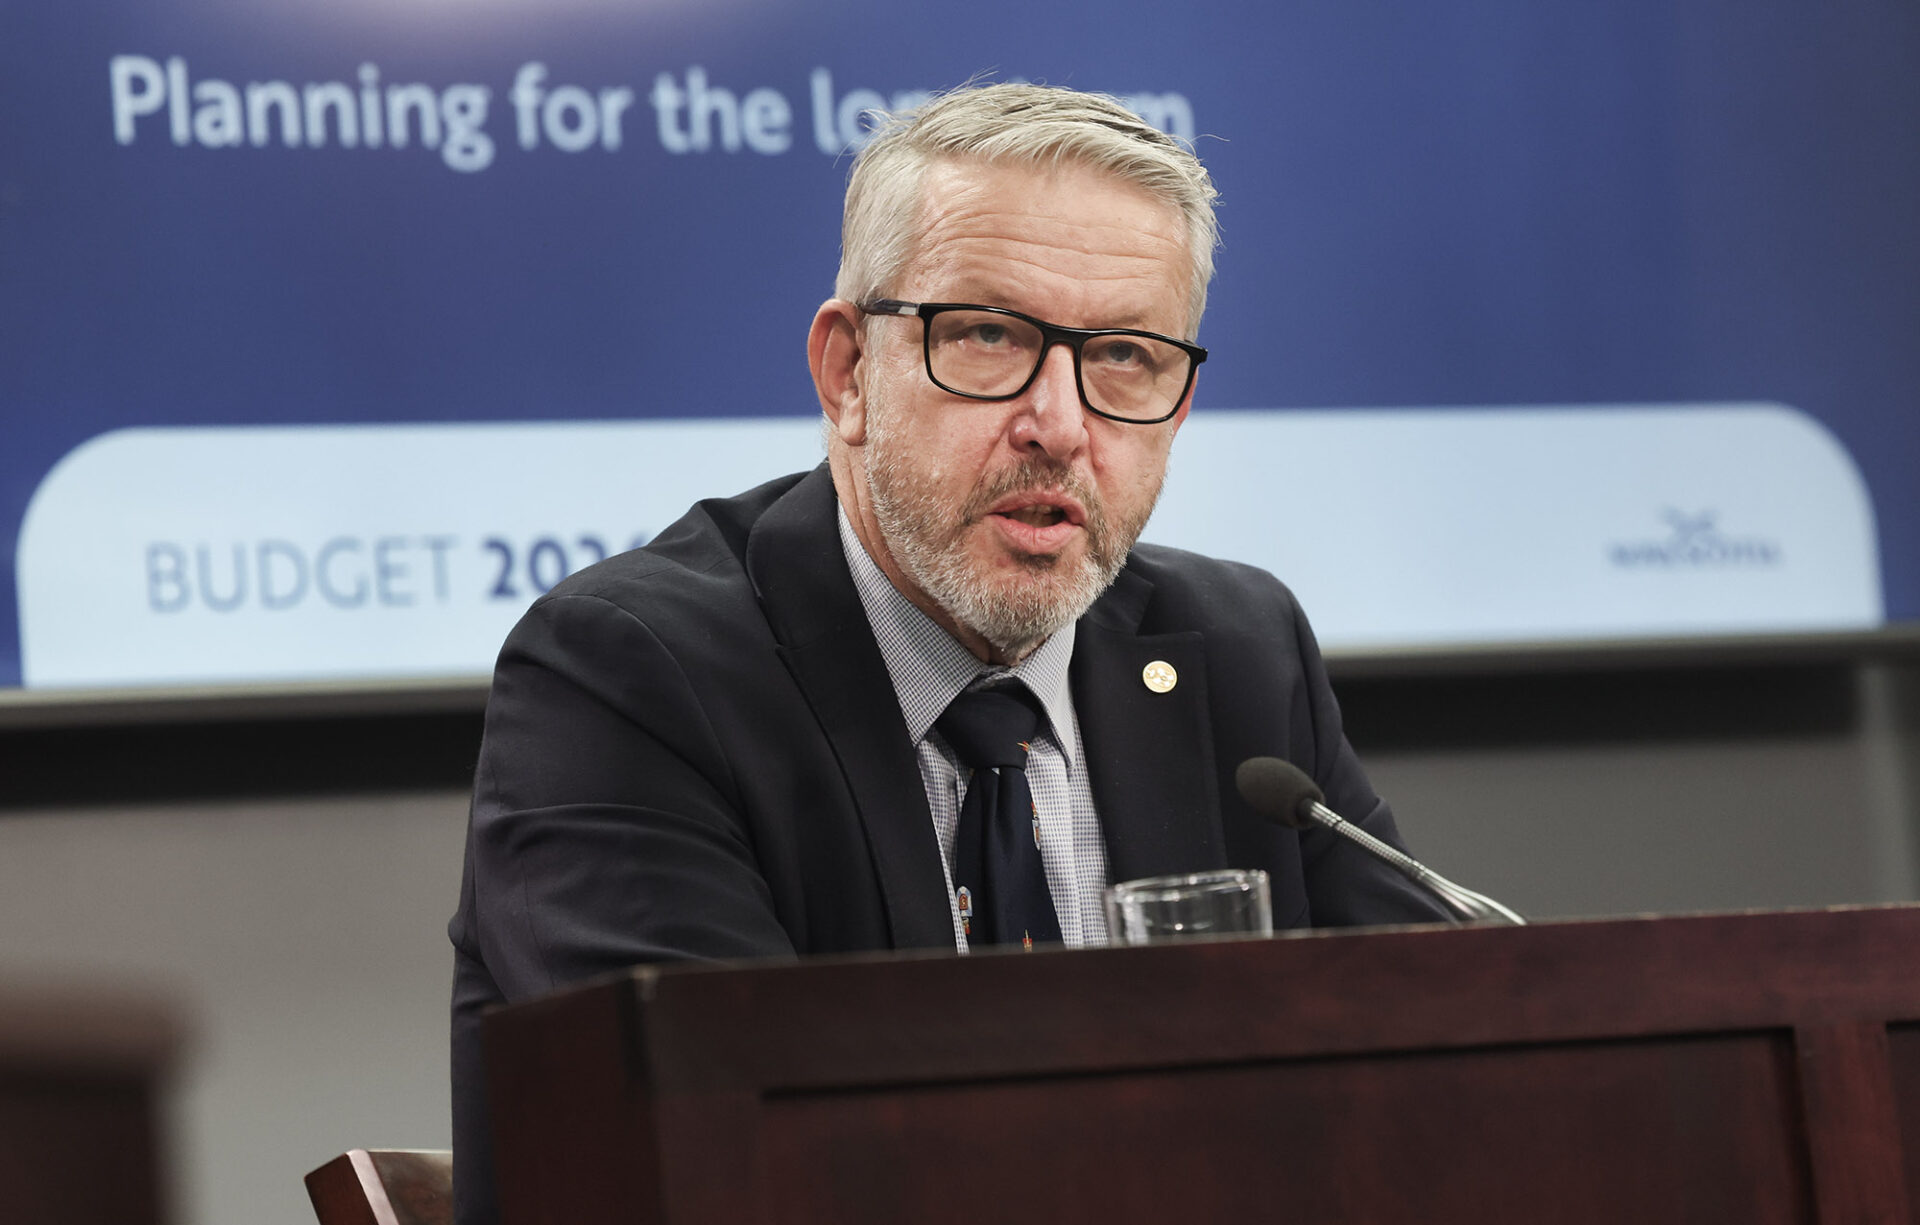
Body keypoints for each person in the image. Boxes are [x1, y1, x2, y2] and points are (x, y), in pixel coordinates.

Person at [447, 82, 1449, 1224]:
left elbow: (1437, 1076)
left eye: (1125, 355)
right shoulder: (627, 677)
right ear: (848, 374)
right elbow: (735, 1158)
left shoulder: (1239, 651)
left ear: (1179, 407)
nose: (1060, 425)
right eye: (988, 336)